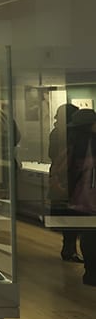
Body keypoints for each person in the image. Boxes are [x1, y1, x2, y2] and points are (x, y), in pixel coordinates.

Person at [48, 103, 81, 262]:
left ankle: (69, 247)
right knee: (73, 215)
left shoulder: (56, 132)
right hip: (69, 178)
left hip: (59, 176)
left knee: (68, 215)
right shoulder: (72, 134)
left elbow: (51, 153)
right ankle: (70, 249)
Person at [67, 108, 96, 285]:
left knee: (88, 232)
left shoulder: (74, 140)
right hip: (89, 192)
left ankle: (91, 272)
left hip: (82, 193)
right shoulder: (90, 142)